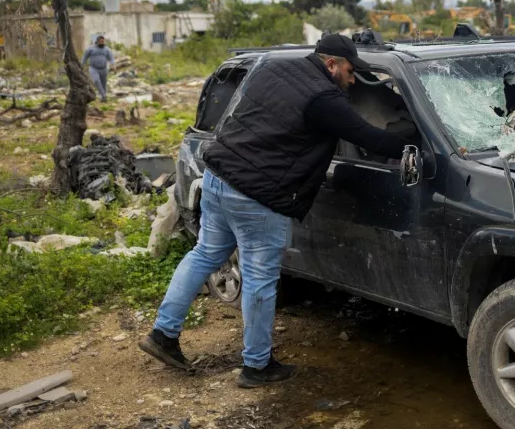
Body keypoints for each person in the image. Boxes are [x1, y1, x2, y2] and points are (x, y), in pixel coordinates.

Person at [139, 34, 411, 388]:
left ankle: (163, 334)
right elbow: (370, 138)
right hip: (257, 197)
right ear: (330, 64)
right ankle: (256, 366)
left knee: (204, 254)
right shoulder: (325, 98)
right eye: (348, 70)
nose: (352, 78)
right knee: (259, 280)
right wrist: (411, 135)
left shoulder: (271, 68)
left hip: (219, 178)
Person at [81, 35, 114, 102]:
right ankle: (104, 95)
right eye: (101, 41)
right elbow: (85, 57)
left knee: (103, 84)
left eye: (103, 41)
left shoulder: (106, 49)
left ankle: (103, 98)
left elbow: (111, 58)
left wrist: (113, 65)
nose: (103, 43)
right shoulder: (90, 49)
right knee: (96, 81)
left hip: (104, 69)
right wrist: (81, 65)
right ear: (97, 41)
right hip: (93, 68)